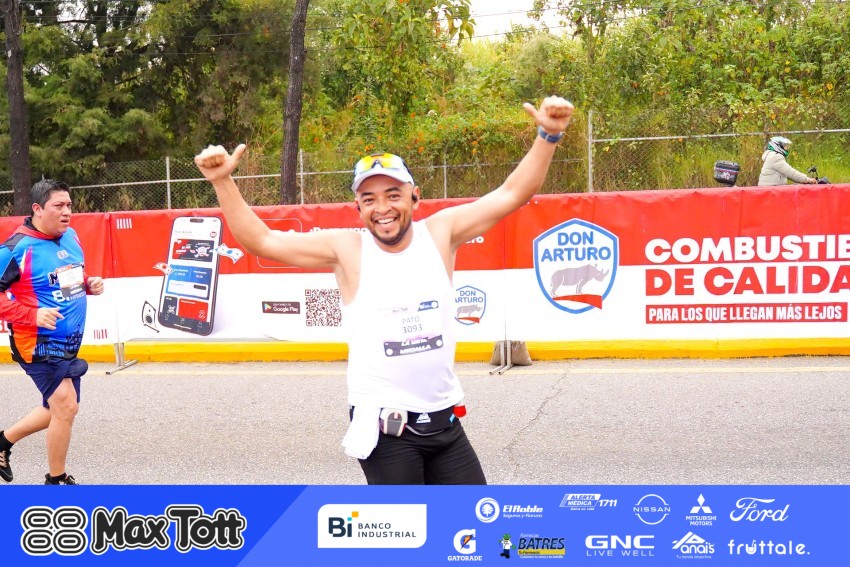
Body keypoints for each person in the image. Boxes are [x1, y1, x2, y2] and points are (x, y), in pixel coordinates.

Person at [194, 95, 574, 484]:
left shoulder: (441, 233)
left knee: (473, 519)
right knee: (406, 525)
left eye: (393, 195)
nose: (383, 208)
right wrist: (222, 181)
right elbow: (262, 241)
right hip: (386, 431)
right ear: (358, 207)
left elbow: (512, 194)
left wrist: (548, 135)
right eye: (369, 199)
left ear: (415, 196)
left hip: (445, 423)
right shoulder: (346, 249)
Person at [0, 180, 104, 485]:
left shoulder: (70, 236)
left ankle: (3, 442)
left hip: (69, 342)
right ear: (37, 209)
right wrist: (32, 315)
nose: (66, 212)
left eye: (69, 205)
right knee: (66, 405)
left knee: (59, 410)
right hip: (36, 342)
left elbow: (66, 277)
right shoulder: (14, 249)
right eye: (58, 206)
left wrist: (88, 284)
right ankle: (56, 481)